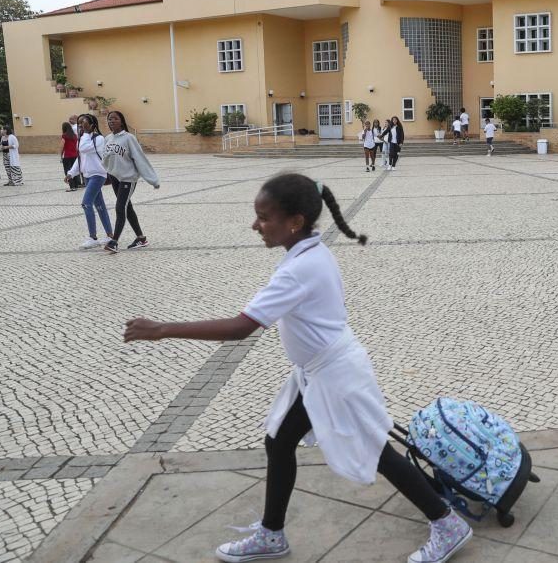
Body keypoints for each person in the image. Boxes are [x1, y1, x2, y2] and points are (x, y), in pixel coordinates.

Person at [123, 173, 473, 563]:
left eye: (264, 217)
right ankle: (272, 535)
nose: (255, 225)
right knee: (280, 441)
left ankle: (447, 523)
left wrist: (163, 329)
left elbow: (242, 327)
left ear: (295, 221)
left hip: (336, 374)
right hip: (320, 372)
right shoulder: (310, 252)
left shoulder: (298, 269)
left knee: (377, 450)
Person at [102, 111, 160, 253]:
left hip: (128, 178)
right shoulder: (108, 138)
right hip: (115, 178)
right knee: (128, 208)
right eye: (109, 119)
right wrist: (106, 174)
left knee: (120, 207)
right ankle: (141, 238)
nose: (111, 121)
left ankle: (114, 242)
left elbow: (140, 159)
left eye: (115, 118)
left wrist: (152, 179)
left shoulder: (129, 138)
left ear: (121, 121)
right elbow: (106, 158)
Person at [66, 114, 114, 249]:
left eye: (84, 123)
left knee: (86, 204)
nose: (81, 126)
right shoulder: (83, 139)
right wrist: (71, 173)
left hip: (98, 174)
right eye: (80, 124)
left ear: (93, 125)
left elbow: (83, 149)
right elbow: (80, 157)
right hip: (87, 175)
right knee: (100, 206)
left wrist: (85, 134)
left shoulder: (98, 139)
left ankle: (93, 237)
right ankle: (110, 235)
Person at [61, 122, 81, 191]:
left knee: (67, 170)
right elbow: (77, 145)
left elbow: (62, 145)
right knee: (74, 170)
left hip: (67, 155)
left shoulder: (64, 135)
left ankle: (72, 186)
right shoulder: (75, 135)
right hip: (75, 155)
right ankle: (76, 185)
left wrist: (61, 154)